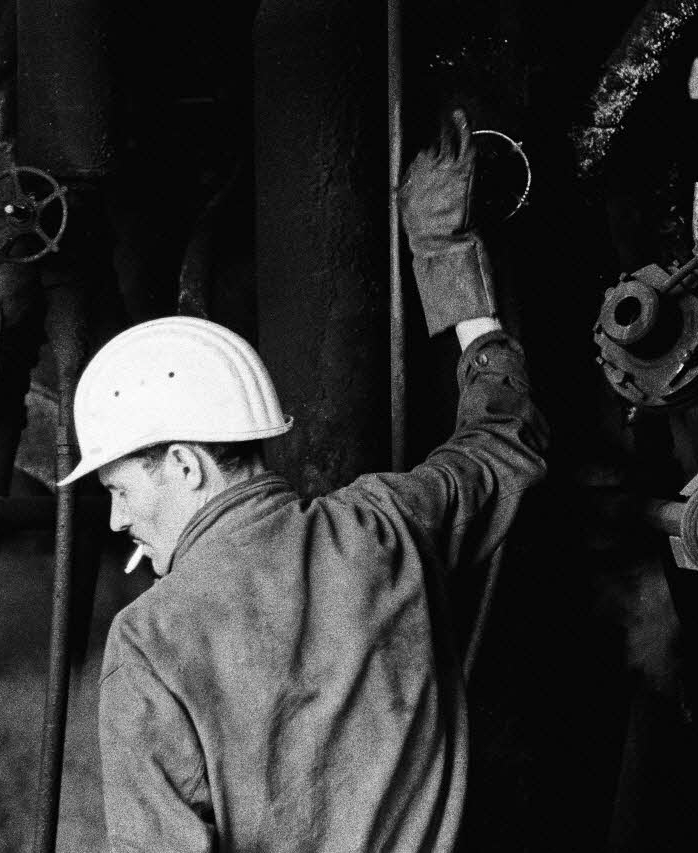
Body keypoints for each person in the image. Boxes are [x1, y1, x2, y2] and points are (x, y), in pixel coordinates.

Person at [58, 110, 549, 852]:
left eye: (122, 488)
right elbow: (505, 439)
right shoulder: (385, 527)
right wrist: (445, 257)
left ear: (187, 464)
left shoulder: (151, 641)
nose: (120, 519)